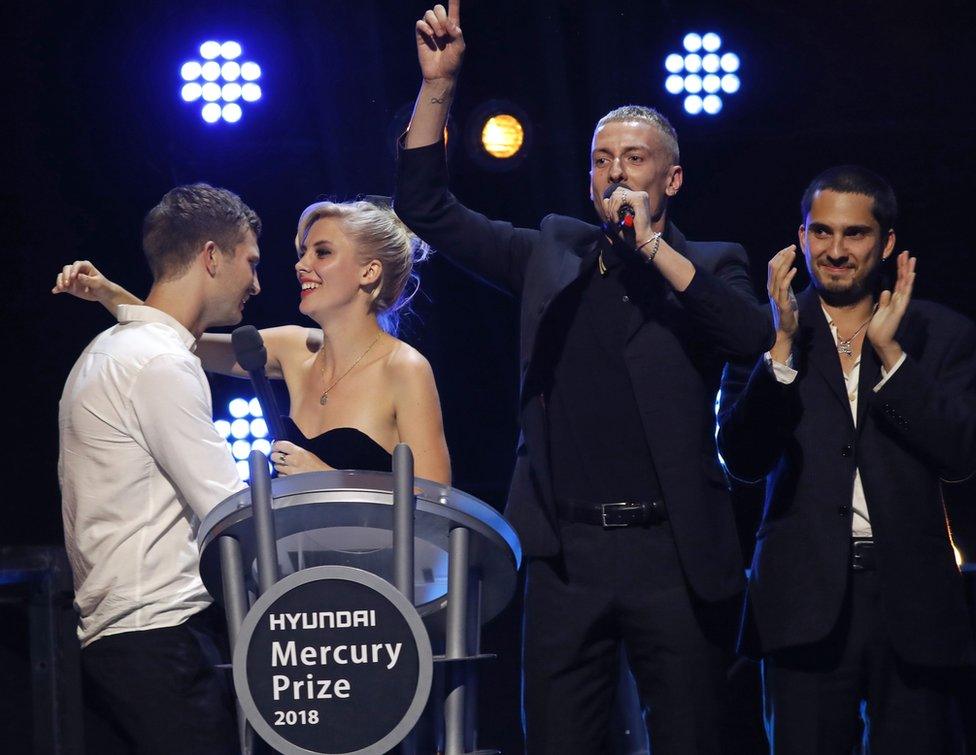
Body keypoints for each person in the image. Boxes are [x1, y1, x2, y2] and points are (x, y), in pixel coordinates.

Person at [396, 3, 773, 752]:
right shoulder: (551, 251)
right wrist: (439, 87)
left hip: (673, 550)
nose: (614, 173)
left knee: (692, 735)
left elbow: (749, 337)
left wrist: (656, 248)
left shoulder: (712, 262)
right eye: (603, 159)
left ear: (671, 177)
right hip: (568, 552)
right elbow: (425, 207)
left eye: (633, 160)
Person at [717, 166, 976, 753]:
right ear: (801, 237)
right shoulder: (765, 333)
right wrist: (780, 355)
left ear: (885, 244)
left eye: (854, 234)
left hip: (914, 600)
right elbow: (741, 461)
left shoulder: (941, 335)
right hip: (800, 598)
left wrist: (894, 359)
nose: (836, 251)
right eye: (821, 233)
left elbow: (962, 456)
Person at [56, 183, 260, 753]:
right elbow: (230, 509)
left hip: (116, 642)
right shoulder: (160, 363)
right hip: (161, 640)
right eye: (250, 261)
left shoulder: (109, 350)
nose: (257, 282)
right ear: (212, 257)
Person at [56, 198, 451, 485]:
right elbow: (179, 337)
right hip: (299, 576)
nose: (301, 265)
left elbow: (437, 499)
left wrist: (332, 480)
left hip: (382, 580)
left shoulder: (404, 368)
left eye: (323, 252)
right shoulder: (295, 349)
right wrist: (111, 294)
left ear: (369, 272)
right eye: (303, 253)